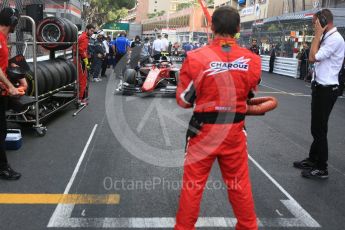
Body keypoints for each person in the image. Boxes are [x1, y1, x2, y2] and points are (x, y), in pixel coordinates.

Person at [175, 6, 261, 230]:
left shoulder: (195, 58)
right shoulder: (252, 60)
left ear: (212, 27)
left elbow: (184, 100)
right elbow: (250, 91)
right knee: (239, 186)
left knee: (192, 187)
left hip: (203, 131)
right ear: (238, 29)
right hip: (234, 131)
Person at [293, 9, 345, 179]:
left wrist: (316, 35)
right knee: (316, 128)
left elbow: (313, 57)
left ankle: (322, 168)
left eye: (315, 22)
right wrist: (318, 35)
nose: (313, 25)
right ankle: (313, 159)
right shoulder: (327, 37)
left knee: (319, 129)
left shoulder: (335, 39)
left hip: (327, 89)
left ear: (323, 21)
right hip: (320, 86)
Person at [0, 7, 26, 180]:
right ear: (13, 22)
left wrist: (16, 75)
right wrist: (10, 86)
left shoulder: (3, 39)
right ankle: (3, 168)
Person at [77, 24, 95, 103]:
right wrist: (87, 62)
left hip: (79, 59)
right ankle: (81, 99)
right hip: (81, 60)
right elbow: (81, 51)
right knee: (83, 80)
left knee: (81, 79)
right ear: (87, 29)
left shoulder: (82, 36)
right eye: (91, 31)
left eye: (93, 31)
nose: (92, 33)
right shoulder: (84, 37)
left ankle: (81, 97)